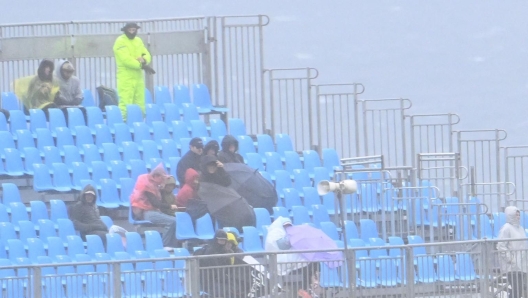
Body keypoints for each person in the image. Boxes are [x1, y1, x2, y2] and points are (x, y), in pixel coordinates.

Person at [113, 22, 154, 120]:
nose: (132, 32)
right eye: (130, 30)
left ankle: (139, 125)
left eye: (133, 30)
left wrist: (144, 60)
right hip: (126, 76)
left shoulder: (138, 41)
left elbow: (146, 53)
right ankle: (123, 126)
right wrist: (142, 65)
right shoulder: (120, 41)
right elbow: (126, 60)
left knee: (140, 104)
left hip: (138, 77)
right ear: (125, 30)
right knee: (125, 103)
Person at [130, 163, 178, 247]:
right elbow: (156, 203)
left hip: (154, 211)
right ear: (155, 176)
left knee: (176, 220)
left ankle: (172, 245)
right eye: (161, 177)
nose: (163, 180)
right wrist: (170, 206)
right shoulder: (148, 187)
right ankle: (165, 245)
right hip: (147, 213)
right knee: (172, 221)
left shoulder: (155, 187)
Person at [194, 230, 247, 298]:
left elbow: (227, 267)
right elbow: (214, 269)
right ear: (216, 240)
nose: (222, 242)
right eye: (220, 240)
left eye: (224, 240)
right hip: (209, 281)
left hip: (221, 280)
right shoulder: (209, 251)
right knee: (226, 292)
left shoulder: (226, 251)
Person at [497, 206, 528, 298]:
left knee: (519, 289)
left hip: (521, 264)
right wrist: (511, 259)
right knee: (516, 289)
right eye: (516, 214)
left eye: (519, 214)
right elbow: (501, 246)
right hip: (512, 266)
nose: (518, 216)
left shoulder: (521, 228)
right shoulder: (506, 228)